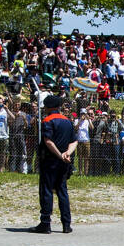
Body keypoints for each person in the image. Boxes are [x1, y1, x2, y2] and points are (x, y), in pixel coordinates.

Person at [31, 94, 76, 233]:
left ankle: (45, 223)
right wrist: (67, 153)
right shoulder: (67, 121)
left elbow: (48, 141)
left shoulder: (47, 120)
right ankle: (66, 224)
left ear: (48, 107)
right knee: (62, 191)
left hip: (50, 161)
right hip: (64, 162)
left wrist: (59, 155)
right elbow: (74, 141)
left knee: (46, 190)